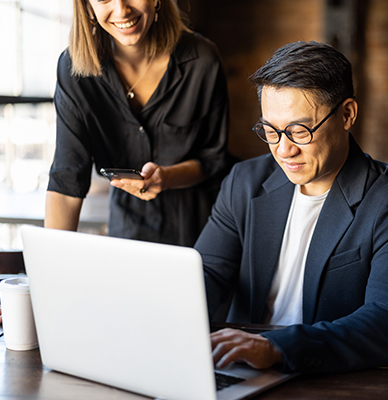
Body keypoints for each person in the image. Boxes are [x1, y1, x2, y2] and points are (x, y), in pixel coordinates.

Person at [194, 41, 388, 373]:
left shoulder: (382, 199)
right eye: (271, 130)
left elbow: (384, 318)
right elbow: (206, 274)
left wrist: (276, 348)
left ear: (347, 114)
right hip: (240, 365)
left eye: (299, 131)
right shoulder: (245, 181)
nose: (283, 150)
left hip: (327, 373)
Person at [45, 0, 229, 246]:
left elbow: (213, 161)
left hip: (199, 233)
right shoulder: (73, 70)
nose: (122, 10)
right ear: (88, 7)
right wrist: (53, 270)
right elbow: (66, 180)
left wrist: (167, 177)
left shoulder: (202, 60)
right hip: (126, 233)